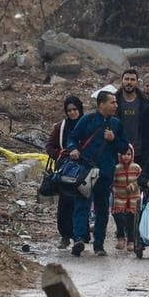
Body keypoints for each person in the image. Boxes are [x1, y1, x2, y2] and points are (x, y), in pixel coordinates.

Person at [65, 90, 129, 257]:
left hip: (106, 172)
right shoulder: (88, 120)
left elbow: (124, 147)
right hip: (86, 170)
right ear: (101, 104)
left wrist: (113, 139)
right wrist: (72, 150)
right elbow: (72, 138)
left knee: (102, 208)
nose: (116, 105)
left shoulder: (116, 124)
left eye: (116, 102)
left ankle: (99, 245)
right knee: (82, 204)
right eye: (112, 102)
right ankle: (79, 238)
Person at [45, 95, 83, 249]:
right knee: (64, 204)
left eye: (75, 109)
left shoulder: (86, 125)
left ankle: (79, 235)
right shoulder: (60, 127)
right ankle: (65, 235)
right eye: (69, 110)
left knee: (80, 203)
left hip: (82, 170)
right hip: (64, 170)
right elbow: (49, 146)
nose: (73, 113)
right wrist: (62, 154)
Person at [117, 68, 149, 161]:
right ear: (122, 81)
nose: (129, 82)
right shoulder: (114, 101)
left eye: (132, 80)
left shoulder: (146, 102)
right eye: (126, 79)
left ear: (137, 82)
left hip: (140, 152)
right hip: (118, 151)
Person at [112, 145, 141, 251]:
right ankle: (120, 237)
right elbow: (112, 181)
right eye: (123, 154)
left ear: (132, 155)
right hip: (120, 197)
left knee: (131, 220)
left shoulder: (136, 168)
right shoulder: (116, 168)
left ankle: (131, 240)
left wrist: (133, 186)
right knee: (119, 217)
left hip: (133, 198)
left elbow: (140, 180)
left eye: (128, 154)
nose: (126, 157)